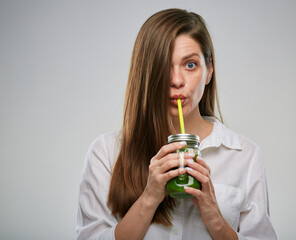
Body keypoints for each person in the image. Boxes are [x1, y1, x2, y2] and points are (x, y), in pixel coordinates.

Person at [76, 8, 277, 240]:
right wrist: (149, 197)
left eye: (190, 65)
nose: (176, 81)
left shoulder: (244, 155)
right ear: (146, 74)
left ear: (209, 71)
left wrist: (215, 217)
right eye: (163, 66)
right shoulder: (106, 152)